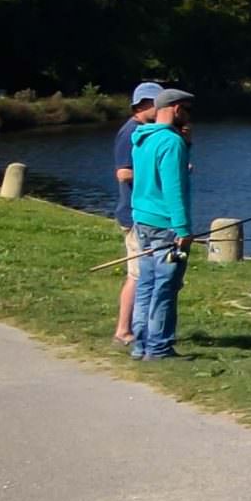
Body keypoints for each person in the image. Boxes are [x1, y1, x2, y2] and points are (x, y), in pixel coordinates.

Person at [128, 88, 195, 360]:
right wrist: (183, 228)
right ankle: (159, 348)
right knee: (165, 287)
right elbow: (173, 188)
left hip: (141, 219)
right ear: (177, 109)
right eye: (187, 110)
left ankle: (140, 344)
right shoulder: (171, 142)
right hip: (165, 225)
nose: (190, 117)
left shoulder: (141, 137)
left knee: (146, 283)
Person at [110, 82, 163, 345]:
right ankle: (123, 330)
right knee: (137, 274)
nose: (162, 108)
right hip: (133, 214)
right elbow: (123, 172)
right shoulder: (130, 132)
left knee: (148, 274)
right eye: (157, 103)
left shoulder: (148, 131)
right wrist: (156, 172)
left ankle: (144, 328)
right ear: (142, 105)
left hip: (146, 213)